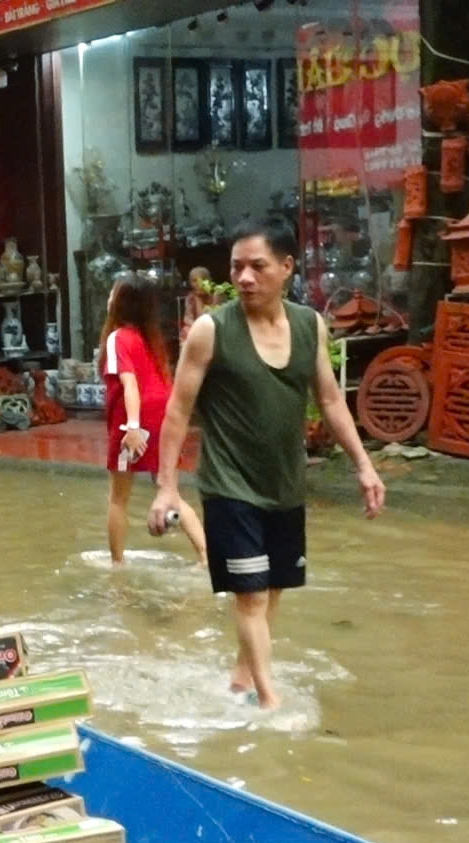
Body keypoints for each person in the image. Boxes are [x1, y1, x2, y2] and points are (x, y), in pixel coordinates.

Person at [149, 220, 386, 710]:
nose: (244, 278)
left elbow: (330, 399)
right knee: (251, 596)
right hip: (229, 485)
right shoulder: (211, 331)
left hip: (284, 484)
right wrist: (166, 487)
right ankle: (269, 700)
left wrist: (363, 464)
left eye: (257, 266)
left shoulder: (308, 325)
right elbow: (177, 411)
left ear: (286, 268)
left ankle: (240, 677)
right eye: (236, 267)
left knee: (273, 589)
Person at [100, 274, 205, 565]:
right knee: (168, 488)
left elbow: (129, 384)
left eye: (113, 293)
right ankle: (206, 553)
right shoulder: (149, 339)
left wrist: (132, 427)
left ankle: (117, 565)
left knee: (118, 497)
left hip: (134, 420)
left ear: (121, 303)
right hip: (163, 415)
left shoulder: (117, 338)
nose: (109, 297)